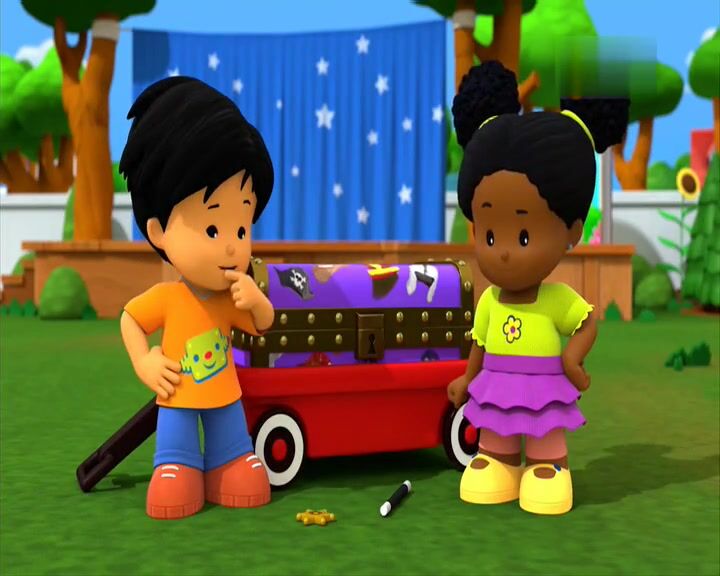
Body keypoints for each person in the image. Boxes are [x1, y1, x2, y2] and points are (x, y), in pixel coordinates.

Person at [447, 61, 629, 515]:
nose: (505, 253)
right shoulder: (490, 301)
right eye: (491, 236)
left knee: (545, 432)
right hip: (496, 388)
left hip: (544, 390)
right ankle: (499, 459)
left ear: (571, 232)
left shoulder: (554, 301)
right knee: (495, 434)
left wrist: (571, 359)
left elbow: (586, 322)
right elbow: (480, 343)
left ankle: (548, 466)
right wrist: (467, 378)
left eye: (524, 236)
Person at [118, 76, 275, 520]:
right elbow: (131, 319)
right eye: (211, 227)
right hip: (178, 401)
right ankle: (176, 464)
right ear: (157, 231)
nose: (231, 245)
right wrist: (145, 362)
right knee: (175, 475)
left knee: (240, 465)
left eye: (241, 228)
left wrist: (256, 300)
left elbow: (263, 325)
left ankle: (230, 460)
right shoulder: (168, 297)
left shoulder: (232, 296)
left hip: (225, 398)